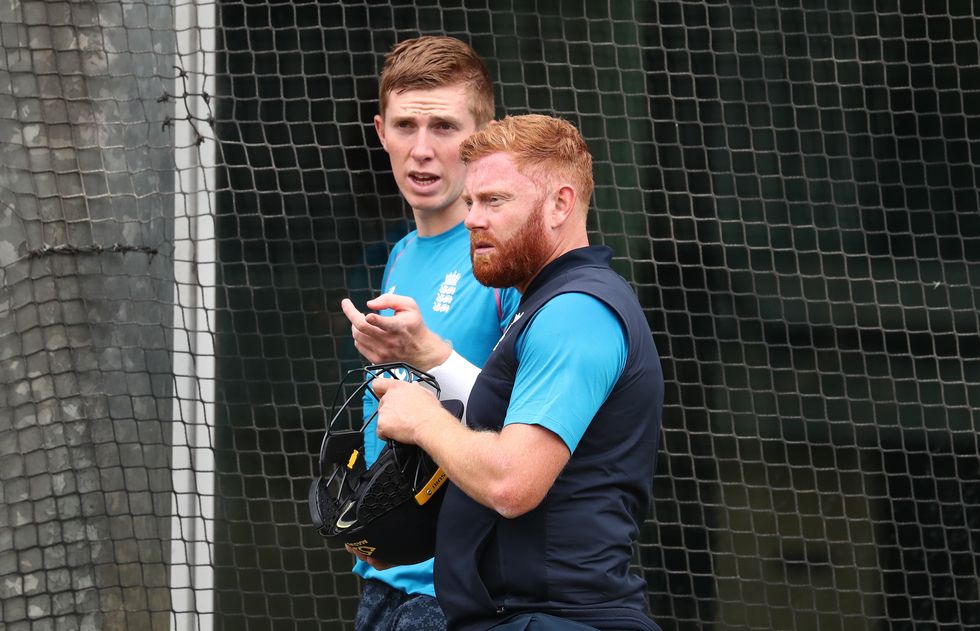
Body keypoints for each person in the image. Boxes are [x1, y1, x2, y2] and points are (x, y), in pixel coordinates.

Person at [362, 114, 665, 631]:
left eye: (495, 201)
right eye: (472, 202)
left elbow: (513, 482)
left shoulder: (577, 311)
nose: (474, 220)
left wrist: (423, 421)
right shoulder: (544, 305)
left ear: (560, 205)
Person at [338, 36, 521, 631]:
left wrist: (433, 357)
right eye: (405, 126)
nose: (422, 151)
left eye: (443, 127)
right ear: (380, 131)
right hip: (381, 583)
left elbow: (535, 433)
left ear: (483, 135)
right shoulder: (400, 254)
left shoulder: (506, 262)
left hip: (460, 594)